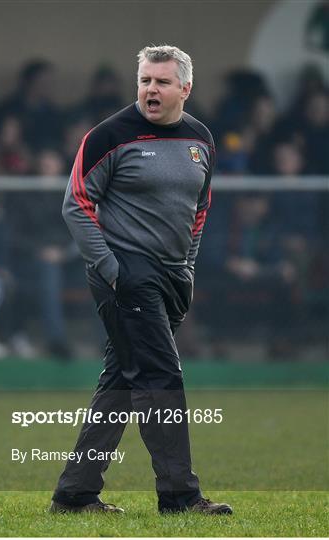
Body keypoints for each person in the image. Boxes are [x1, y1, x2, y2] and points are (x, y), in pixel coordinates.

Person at [50, 45, 232, 515]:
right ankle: (180, 496)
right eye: (146, 80)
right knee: (161, 378)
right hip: (126, 275)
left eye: (162, 82)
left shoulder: (201, 139)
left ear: (185, 89)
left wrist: (186, 267)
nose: (151, 89)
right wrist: (113, 270)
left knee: (122, 384)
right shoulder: (108, 136)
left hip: (171, 276)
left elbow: (200, 208)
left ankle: (74, 494)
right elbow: (76, 205)